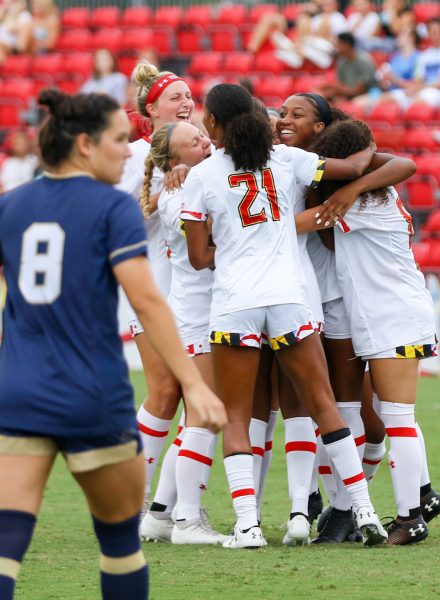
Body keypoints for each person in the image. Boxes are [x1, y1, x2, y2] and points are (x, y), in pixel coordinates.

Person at [0, 89, 225, 599]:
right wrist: (196, 384)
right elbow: (147, 301)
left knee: (7, 547)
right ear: (84, 143)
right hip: (91, 397)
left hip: (18, 395)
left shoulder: (10, 206)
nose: (129, 152)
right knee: (121, 545)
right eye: (120, 141)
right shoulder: (110, 208)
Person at [181, 83, 387, 549]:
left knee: (237, 416)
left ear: (212, 123)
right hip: (291, 296)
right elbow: (355, 166)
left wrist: (232, 245)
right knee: (322, 405)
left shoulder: (202, 175)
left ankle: (249, 526)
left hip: (236, 300)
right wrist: (368, 143)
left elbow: (198, 257)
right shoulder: (286, 158)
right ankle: (366, 512)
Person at [278, 92, 440, 542]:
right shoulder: (373, 195)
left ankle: (410, 517)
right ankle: (405, 504)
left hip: (391, 315)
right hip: (385, 312)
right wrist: (360, 164)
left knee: (395, 417)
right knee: (386, 414)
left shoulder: (353, 206)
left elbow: (298, 224)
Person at [140, 121, 230, 545]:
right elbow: (209, 244)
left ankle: (160, 514)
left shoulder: (203, 176)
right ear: (174, 162)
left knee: (199, 416)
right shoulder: (175, 196)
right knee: (202, 414)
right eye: (194, 142)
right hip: (197, 316)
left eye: (203, 135)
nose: (206, 142)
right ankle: (187, 520)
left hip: (208, 312)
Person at [118, 62, 197, 541]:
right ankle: (129, 502)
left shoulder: (203, 154)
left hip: (195, 290)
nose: (186, 103)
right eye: (175, 97)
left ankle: (168, 510)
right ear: (151, 109)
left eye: (190, 96)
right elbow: (109, 214)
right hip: (151, 289)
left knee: (193, 400)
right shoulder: (131, 156)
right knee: (164, 392)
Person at [385, 17, 440, 109]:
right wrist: (412, 88)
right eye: (431, 31)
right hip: (423, 90)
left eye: (437, 31)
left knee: (416, 102)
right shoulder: (424, 56)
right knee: (388, 99)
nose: (435, 34)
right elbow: (418, 80)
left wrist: (418, 88)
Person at [318, 32, 377, 102]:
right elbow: (340, 84)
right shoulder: (342, 61)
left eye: (338, 43)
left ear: (346, 45)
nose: (336, 46)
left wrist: (334, 92)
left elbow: (359, 91)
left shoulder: (365, 61)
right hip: (348, 94)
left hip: (368, 95)